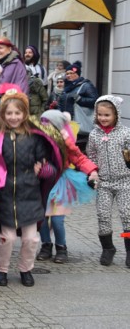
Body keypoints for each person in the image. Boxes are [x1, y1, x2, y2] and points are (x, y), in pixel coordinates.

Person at [0, 91, 63, 287]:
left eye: (17, 113)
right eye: (9, 113)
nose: (13, 117)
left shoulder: (35, 138)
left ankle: (26, 269)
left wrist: (44, 170)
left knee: (31, 239)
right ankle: (1, 269)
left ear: (25, 114)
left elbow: (51, 167)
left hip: (30, 194)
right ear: (2, 114)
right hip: (4, 195)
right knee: (7, 237)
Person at [36, 110, 98, 263]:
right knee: (41, 218)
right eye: (43, 123)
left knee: (57, 220)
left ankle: (61, 247)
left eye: (49, 123)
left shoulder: (65, 141)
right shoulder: (36, 140)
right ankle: (46, 245)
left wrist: (92, 171)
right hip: (42, 183)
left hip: (61, 182)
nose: (45, 126)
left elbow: (79, 158)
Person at [86, 95, 130, 267]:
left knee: (127, 215)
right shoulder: (94, 135)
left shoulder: (126, 133)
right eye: (100, 115)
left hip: (125, 182)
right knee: (103, 215)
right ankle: (108, 248)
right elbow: (92, 156)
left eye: (107, 115)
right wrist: (92, 173)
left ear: (116, 115)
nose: (103, 118)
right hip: (104, 183)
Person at [58, 61, 98, 148]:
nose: (68, 75)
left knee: (77, 147)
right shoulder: (66, 87)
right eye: (67, 73)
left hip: (79, 122)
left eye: (71, 73)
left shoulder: (86, 85)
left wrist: (80, 99)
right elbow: (62, 102)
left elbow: (95, 101)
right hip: (66, 123)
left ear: (78, 74)